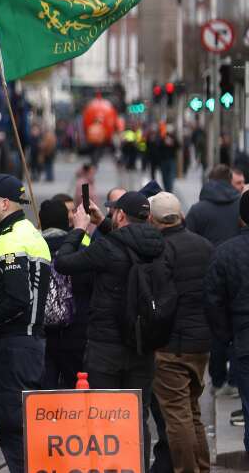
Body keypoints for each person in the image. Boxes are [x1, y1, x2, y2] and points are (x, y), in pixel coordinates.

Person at [56, 191, 163, 466]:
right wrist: (103, 222)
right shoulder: (158, 244)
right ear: (147, 217)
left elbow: (64, 262)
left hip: (106, 348)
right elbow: (126, 242)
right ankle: (138, 466)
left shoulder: (106, 249)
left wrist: (80, 228)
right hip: (143, 346)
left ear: (121, 215)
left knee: (104, 418)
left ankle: (110, 469)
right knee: (138, 417)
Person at [0, 174, 51, 473]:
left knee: (13, 424)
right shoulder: (30, 234)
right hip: (30, 343)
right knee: (27, 427)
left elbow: (17, 299)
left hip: (13, 346)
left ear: (4, 203)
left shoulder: (11, 240)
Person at [147, 192, 212, 473]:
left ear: (152, 219)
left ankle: (188, 470)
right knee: (192, 411)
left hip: (172, 345)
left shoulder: (161, 250)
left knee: (177, 416)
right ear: (180, 215)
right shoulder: (205, 246)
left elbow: (159, 300)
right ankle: (201, 467)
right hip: (201, 343)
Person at [205, 193, 249, 456]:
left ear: (241, 218)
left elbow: (212, 301)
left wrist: (226, 337)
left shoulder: (225, 252)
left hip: (244, 340)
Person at [39, 199, 91, 391]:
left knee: (45, 392)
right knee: (76, 389)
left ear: (40, 221)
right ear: (68, 221)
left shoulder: (33, 250)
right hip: (76, 334)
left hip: (42, 334)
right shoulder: (82, 249)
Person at [187, 165, 241, 247]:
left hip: (208, 257)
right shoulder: (242, 206)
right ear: (230, 181)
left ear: (209, 181)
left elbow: (188, 240)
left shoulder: (197, 210)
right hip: (237, 256)